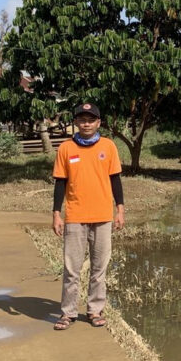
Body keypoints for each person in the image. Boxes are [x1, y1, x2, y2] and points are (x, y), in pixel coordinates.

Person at [52, 102, 125, 330]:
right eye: (82, 120)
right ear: (76, 122)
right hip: (75, 216)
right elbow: (60, 183)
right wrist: (56, 214)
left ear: (98, 123)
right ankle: (68, 313)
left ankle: (95, 310)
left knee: (99, 268)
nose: (86, 124)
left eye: (90, 120)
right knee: (72, 268)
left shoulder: (109, 146)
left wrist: (120, 209)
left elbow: (115, 179)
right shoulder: (65, 148)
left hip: (103, 215)